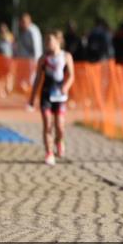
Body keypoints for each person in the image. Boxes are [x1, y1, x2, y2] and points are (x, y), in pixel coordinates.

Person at [29, 30, 75, 166]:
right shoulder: (43, 59)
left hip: (60, 95)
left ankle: (59, 141)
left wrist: (66, 86)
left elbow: (71, 76)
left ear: (58, 41)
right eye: (46, 41)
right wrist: (32, 97)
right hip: (46, 94)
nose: (48, 43)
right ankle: (49, 153)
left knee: (60, 126)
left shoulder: (66, 56)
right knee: (47, 124)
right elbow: (38, 78)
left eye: (50, 40)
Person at [17, 13, 43, 94]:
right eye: (21, 22)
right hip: (25, 60)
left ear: (29, 21)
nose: (22, 24)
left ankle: (31, 95)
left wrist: (36, 61)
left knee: (31, 79)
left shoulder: (32, 31)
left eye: (24, 22)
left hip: (32, 61)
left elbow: (36, 47)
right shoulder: (24, 31)